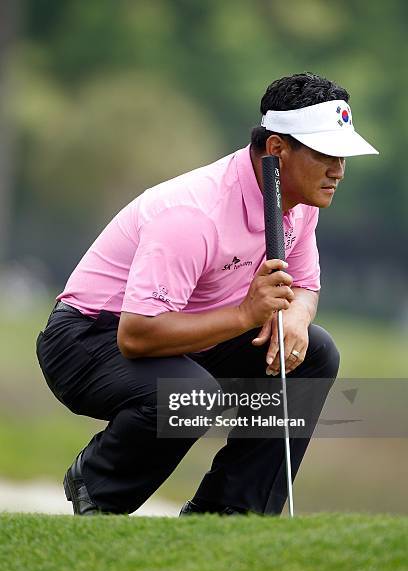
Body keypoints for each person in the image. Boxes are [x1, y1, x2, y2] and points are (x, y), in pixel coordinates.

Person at [36, 72, 378, 516]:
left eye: (343, 155)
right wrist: (243, 315)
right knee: (192, 395)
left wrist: (296, 317)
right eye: (325, 154)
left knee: (315, 354)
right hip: (87, 338)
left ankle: (227, 515)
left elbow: (305, 285)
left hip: (186, 335)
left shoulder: (299, 203)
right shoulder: (193, 213)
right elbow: (136, 335)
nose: (338, 170)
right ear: (277, 149)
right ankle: (99, 491)